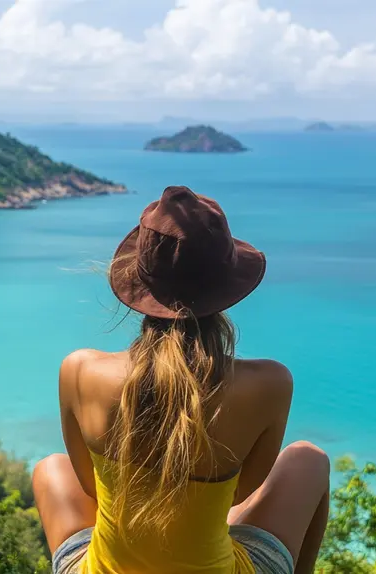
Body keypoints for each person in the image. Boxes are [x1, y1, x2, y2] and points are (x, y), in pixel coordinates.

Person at [32, 186, 330, 574]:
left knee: (50, 468)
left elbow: (90, 488)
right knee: (309, 459)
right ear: (226, 289)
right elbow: (241, 495)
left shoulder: (79, 370)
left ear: (138, 283)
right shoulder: (270, 383)